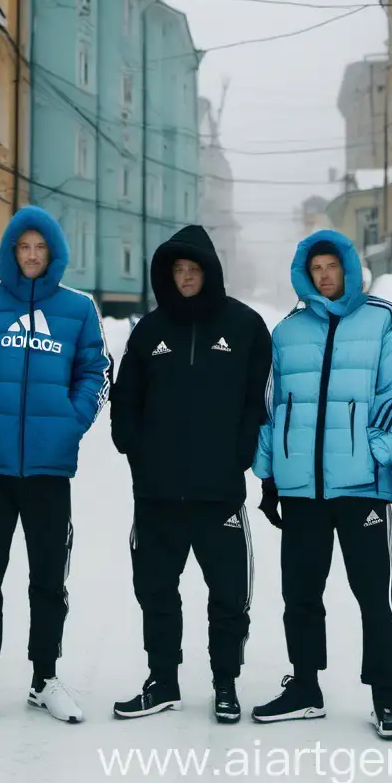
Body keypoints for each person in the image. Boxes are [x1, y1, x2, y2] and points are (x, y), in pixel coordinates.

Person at [0, 206, 109, 731]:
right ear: (12, 252)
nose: (32, 256)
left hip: (49, 470)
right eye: (23, 247)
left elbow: (96, 370)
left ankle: (44, 679)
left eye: (41, 248)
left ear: (53, 253)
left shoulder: (78, 309)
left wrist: (69, 424)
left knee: (48, 581)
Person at [250, 231, 392, 739]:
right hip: (303, 489)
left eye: (332, 266)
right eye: (316, 268)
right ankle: (304, 687)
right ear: (306, 273)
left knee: (375, 594)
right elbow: (271, 405)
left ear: (348, 268)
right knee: (300, 592)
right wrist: (270, 475)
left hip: (361, 487)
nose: (325, 275)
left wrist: (376, 452)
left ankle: (385, 697)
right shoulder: (288, 331)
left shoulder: (383, 318)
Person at [110, 226, 272, 724]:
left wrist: (239, 456)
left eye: (193, 270)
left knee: (228, 595)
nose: (184, 278)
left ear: (209, 272)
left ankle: (225, 683)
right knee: (156, 591)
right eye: (177, 271)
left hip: (218, 493)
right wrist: (138, 453)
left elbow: (257, 400)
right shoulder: (149, 331)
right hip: (156, 494)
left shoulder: (245, 326)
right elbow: (125, 403)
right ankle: (163, 681)